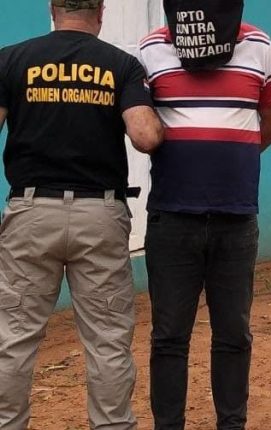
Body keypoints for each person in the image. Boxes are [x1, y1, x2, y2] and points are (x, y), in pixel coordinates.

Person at [0, 1, 163, 429]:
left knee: (13, 338)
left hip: (31, 213)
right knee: (107, 339)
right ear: (101, 12)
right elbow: (145, 136)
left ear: (53, 9)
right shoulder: (121, 65)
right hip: (100, 214)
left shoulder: (12, 60)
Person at [137, 0, 271, 428]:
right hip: (171, 218)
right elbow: (139, 125)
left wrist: (229, 158)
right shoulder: (151, 50)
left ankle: (231, 424)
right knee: (169, 337)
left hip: (235, 219)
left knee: (233, 335)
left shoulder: (259, 46)